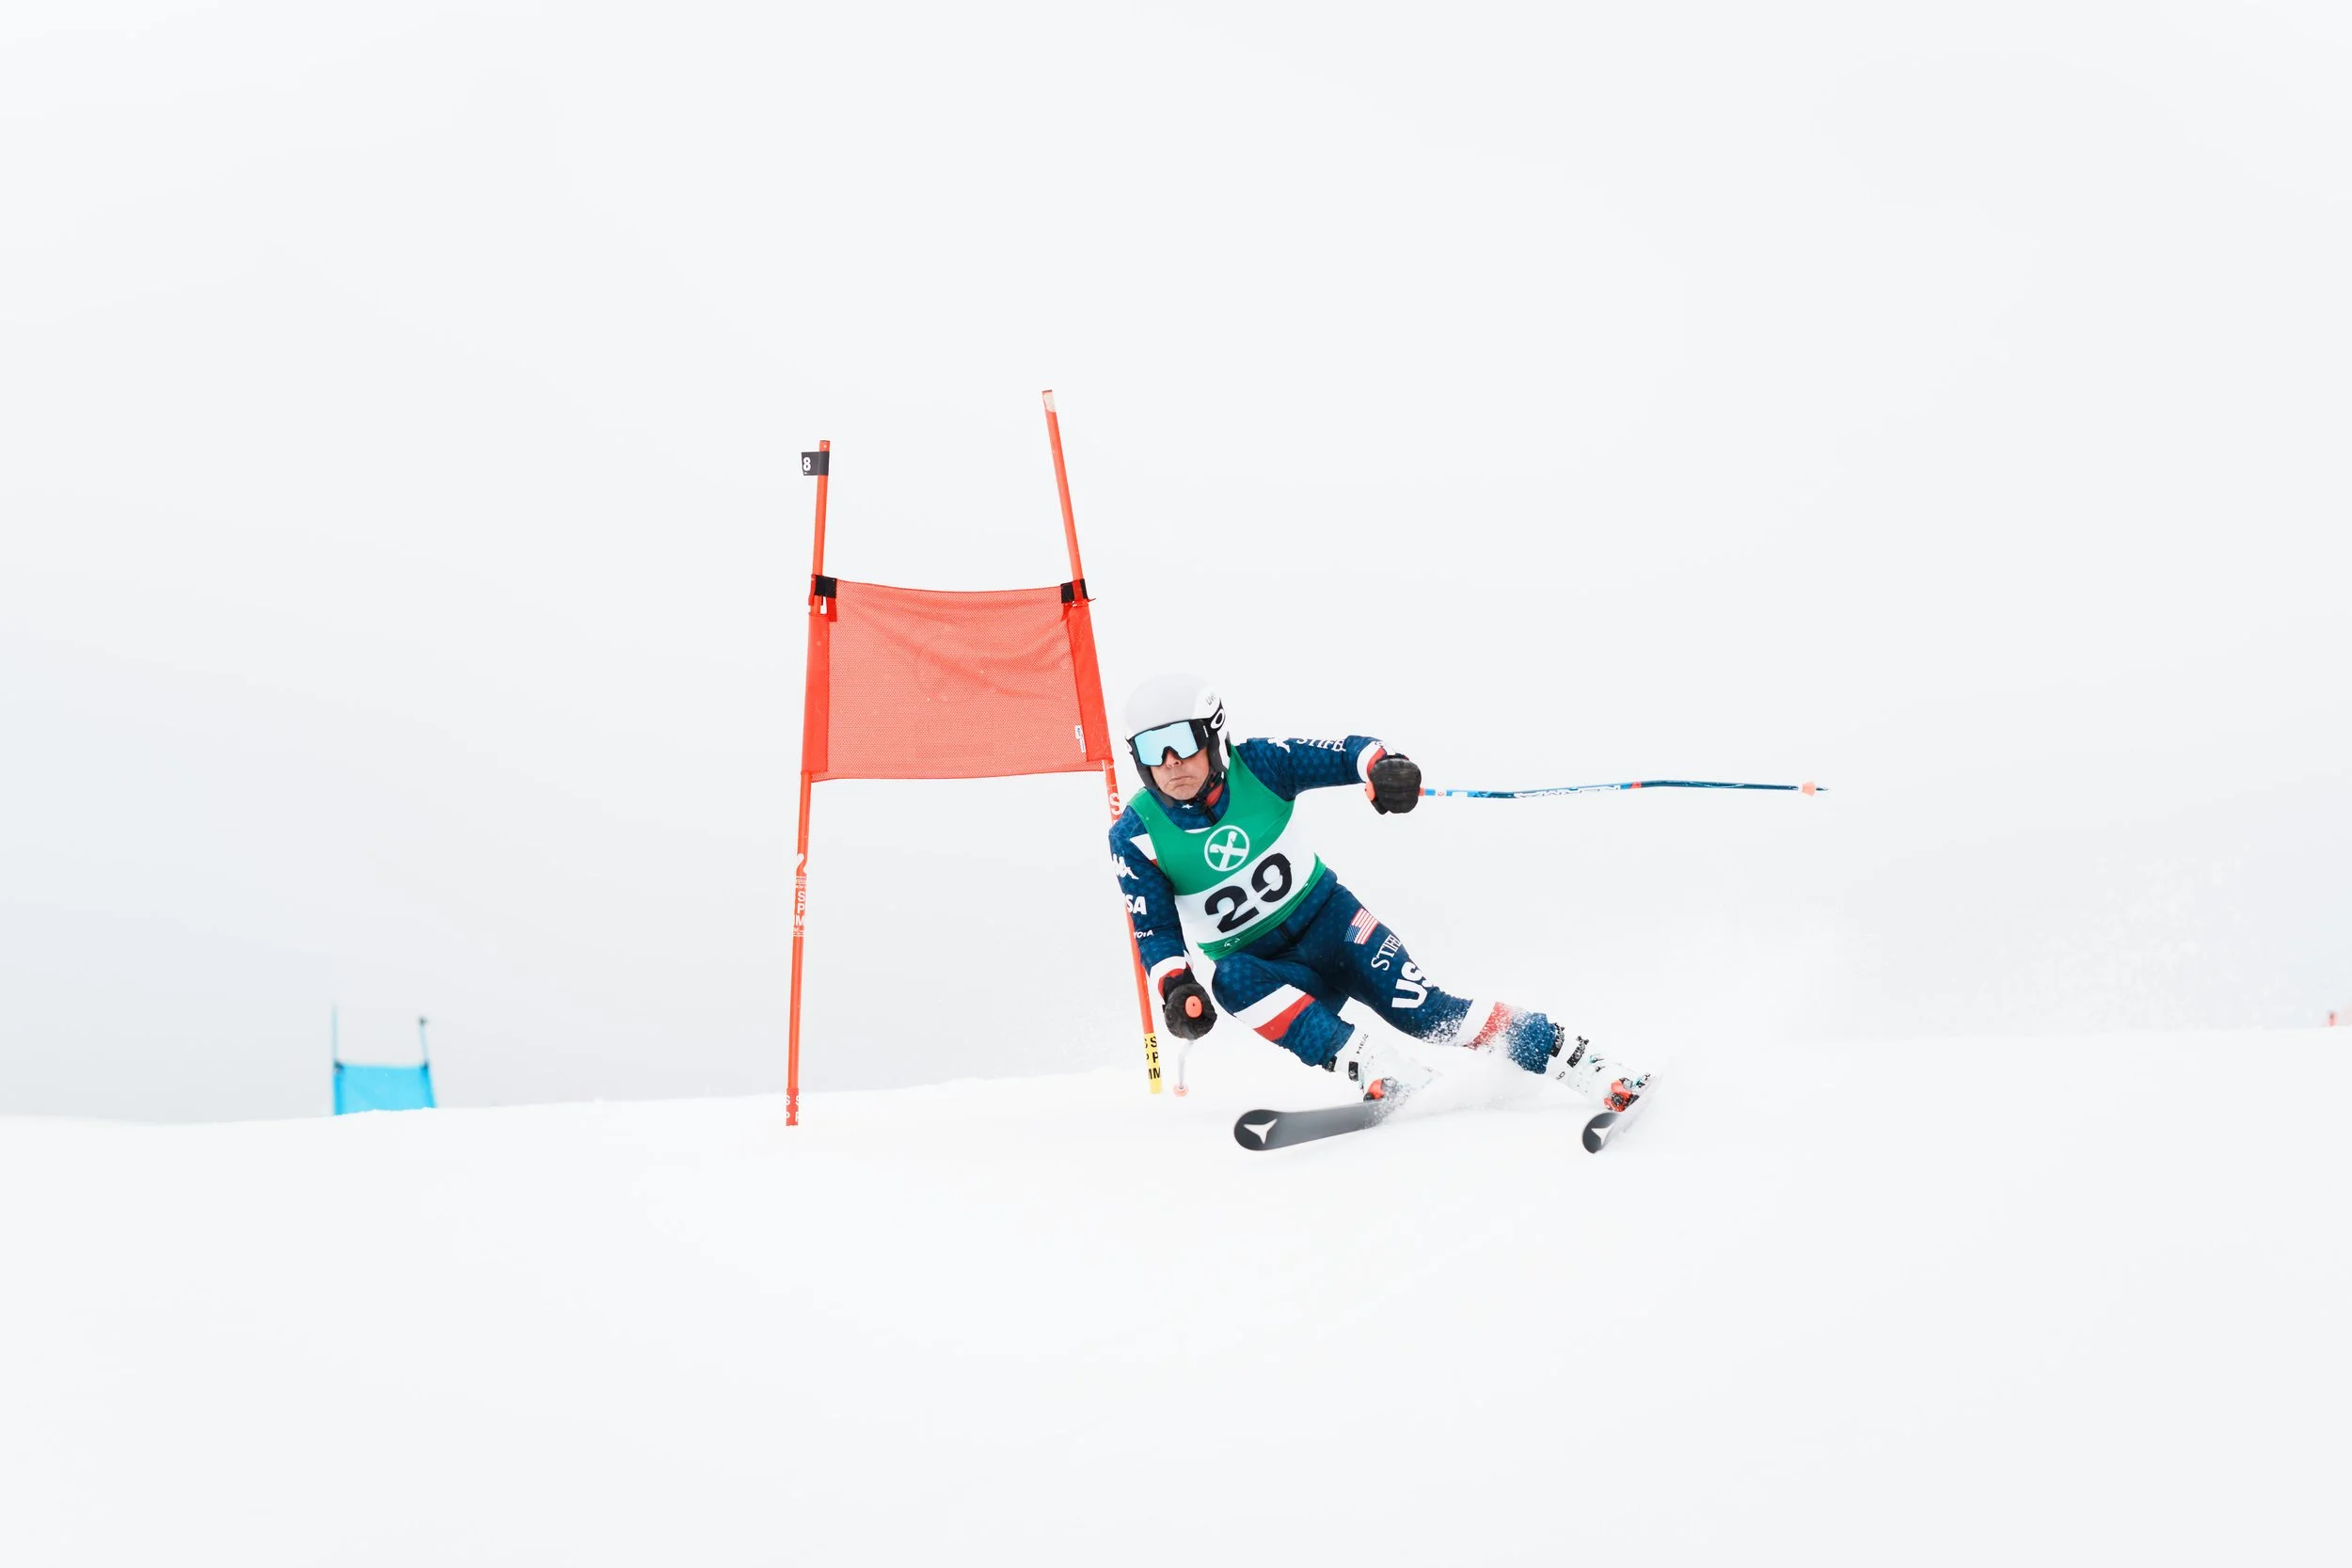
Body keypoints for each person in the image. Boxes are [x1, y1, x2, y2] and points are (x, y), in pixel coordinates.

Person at [1110, 673, 1648, 1112]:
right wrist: (1176, 988)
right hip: (1267, 969)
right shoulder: (1135, 834)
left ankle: (1582, 1062)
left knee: (1428, 1014)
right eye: (1152, 749)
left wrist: (1385, 767)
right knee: (1229, 981)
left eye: (1182, 741)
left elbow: (1350, 752)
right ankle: (1379, 1068)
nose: (1170, 762)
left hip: (1334, 927)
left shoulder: (1261, 765)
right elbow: (1154, 930)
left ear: (1214, 736)